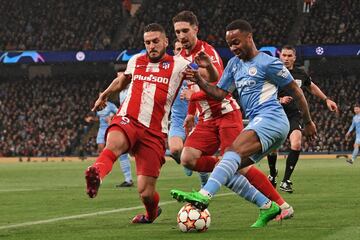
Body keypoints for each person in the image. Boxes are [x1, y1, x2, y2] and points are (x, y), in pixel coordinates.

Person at [170, 19, 316, 227]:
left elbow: (296, 90)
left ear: (249, 38)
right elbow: (220, 93)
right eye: (230, 44)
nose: (234, 48)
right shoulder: (234, 65)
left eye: (237, 42)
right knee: (227, 168)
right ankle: (269, 208)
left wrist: (308, 121)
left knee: (232, 152)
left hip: (272, 118)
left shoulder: (268, 62)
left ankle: (204, 195)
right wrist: (200, 81)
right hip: (258, 122)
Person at [85, 23, 190, 224]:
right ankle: (97, 173)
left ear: (166, 42)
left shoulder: (179, 64)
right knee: (113, 144)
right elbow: (122, 81)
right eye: (147, 42)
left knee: (146, 193)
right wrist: (104, 95)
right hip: (129, 119)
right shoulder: (136, 60)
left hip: (154, 132)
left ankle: (151, 214)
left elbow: (206, 77)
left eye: (155, 41)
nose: (151, 46)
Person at [267, 45, 338, 193]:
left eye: (289, 56)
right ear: (280, 56)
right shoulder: (273, 71)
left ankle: (286, 180)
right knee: (273, 150)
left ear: (294, 57)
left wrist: (326, 99)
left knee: (297, 143)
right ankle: (273, 174)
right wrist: (279, 100)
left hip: (294, 114)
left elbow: (311, 87)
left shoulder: (300, 73)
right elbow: (265, 93)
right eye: (284, 55)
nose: (286, 58)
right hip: (276, 113)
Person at [168, 38, 209, 187]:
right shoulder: (170, 71)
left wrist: (194, 93)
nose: (180, 52)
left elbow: (210, 87)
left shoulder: (195, 69)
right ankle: (184, 162)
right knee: (174, 149)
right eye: (177, 49)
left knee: (198, 157)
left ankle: (204, 182)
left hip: (197, 118)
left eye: (182, 49)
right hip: (178, 119)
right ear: (174, 52)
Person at [85, 97, 133, 188]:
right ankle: (103, 167)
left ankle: (125, 177)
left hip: (111, 128)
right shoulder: (99, 106)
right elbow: (100, 118)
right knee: (101, 149)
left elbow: (119, 113)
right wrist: (92, 119)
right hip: (102, 129)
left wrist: (112, 118)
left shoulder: (111, 106)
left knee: (115, 152)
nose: (100, 97)